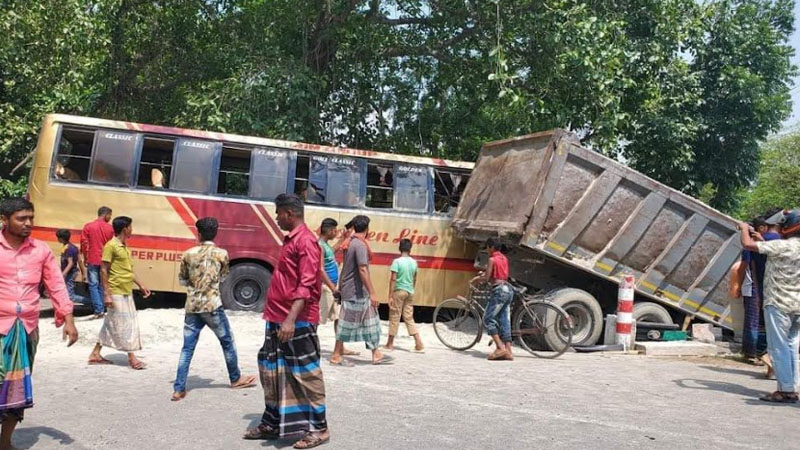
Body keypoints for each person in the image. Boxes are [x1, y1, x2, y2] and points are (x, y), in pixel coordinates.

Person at [244, 194, 329, 449]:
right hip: (277, 317)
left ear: (289, 213)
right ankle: (271, 423)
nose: (277, 217)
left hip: (296, 321)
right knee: (272, 372)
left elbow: (306, 285)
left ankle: (320, 428)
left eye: (278, 213)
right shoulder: (291, 239)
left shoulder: (306, 242)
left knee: (306, 375)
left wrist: (290, 320)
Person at [0, 198, 78, 450]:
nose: (28, 223)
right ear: (4, 219)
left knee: (17, 387)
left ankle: (5, 442)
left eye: (30, 217)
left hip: (26, 330)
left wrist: (68, 319)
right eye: (21, 218)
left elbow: (56, 284)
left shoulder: (40, 250)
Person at [172, 217, 257, 401]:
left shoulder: (188, 254)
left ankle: (178, 388)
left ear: (199, 233)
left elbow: (182, 280)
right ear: (216, 233)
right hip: (212, 306)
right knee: (227, 342)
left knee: (187, 348)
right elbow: (224, 277)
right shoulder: (222, 254)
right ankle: (235, 378)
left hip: (192, 306)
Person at [739, 209, 800, 403]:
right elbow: (774, 251)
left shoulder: (782, 246)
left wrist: (743, 229)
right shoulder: (786, 248)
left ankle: (785, 390)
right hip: (797, 305)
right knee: (792, 346)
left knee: (778, 347)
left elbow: (748, 245)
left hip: (778, 304)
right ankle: (792, 386)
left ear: (787, 228)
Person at [88, 216, 151, 370]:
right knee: (126, 324)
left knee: (110, 322)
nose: (132, 230)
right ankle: (132, 357)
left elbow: (128, 270)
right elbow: (103, 269)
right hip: (116, 291)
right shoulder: (111, 246)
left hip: (125, 290)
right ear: (125, 229)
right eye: (131, 227)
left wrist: (141, 285)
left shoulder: (124, 247)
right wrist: (106, 294)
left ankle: (95, 353)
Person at [329, 215, 391, 366]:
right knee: (346, 323)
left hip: (356, 291)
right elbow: (362, 269)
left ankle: (376, 353)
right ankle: (336, 355)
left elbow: (347, 268)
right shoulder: (360, 245)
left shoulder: (350, 243)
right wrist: (373, 293)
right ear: (367, 229)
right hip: (356, 292)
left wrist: (341, 287)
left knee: (370, 321)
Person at [317, 219, 358, 357]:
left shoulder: (326, 245)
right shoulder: (320, 246)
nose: (336, 233)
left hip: (333, 288)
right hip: (326, 289)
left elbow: (332, 251)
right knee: (317, 319)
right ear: (329, 231)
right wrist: (333, 289)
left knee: (338, 318)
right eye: (335, 231)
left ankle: (340, 346)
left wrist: (343, 239)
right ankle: (310, 346)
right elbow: (320, 270)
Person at [471, 237, 513, 361]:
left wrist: (476, 279)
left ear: (491, 247)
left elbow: (487, 277)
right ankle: (508, 351)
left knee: (488, 319)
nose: (487, 250)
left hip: (499, 291)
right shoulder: (504, 258)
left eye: (488, 248)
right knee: (504, 320)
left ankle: (500, 347)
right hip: (508, 289)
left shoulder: (492, 259)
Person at [382, 238, 424, 353]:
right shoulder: (414, 262)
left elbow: (393, 279)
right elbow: (415, 278)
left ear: (400, 248)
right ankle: (418, 343)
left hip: (399, 291)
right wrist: (411, 289)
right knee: (409, 317)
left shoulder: (397, 262)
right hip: (410, 291)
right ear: (410, 249)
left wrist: (390, 295)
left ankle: (389, 344)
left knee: (394, 316)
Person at [81, 206, 114, 319]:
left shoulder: (88, 226)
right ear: (106, 215)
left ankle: (98, 310)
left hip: (93, 258)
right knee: (102, 284)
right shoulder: (110, 229)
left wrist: (85, 257)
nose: (110, 218)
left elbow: (84, 243)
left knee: (93, 285)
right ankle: (103, 308)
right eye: (110, 215)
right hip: (105, 260)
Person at [56, 229, 89, 306]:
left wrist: (63, 273)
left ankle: (91, 302)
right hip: (72, 272)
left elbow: (70, 263)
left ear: (61, 238)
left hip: (70, 273)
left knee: (70, 296)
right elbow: (80, 261)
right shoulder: (72, 247)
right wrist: (83, 273)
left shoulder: (68, 249)